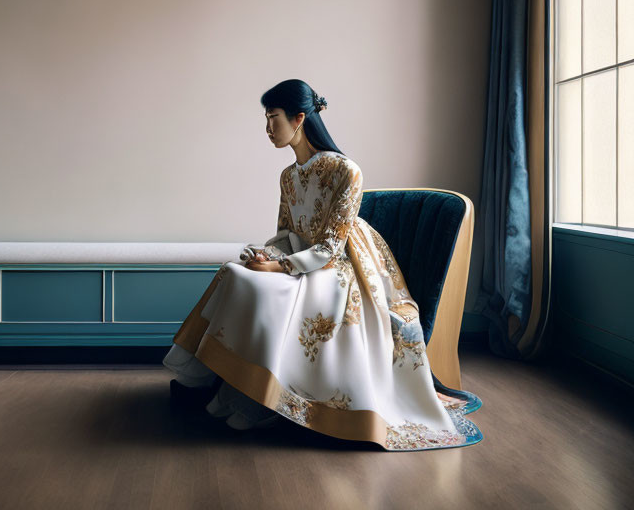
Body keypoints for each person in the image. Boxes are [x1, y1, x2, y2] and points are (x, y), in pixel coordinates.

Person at [162, 79, 483, 451]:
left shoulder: (346, 171)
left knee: (252, 282)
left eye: (273, 118)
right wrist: (268, 255)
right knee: (235, 271)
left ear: (299, 118)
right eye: (266, 119)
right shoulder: (288, 176)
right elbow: (284, 233)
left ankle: (257, 399)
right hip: (299, 260)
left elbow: (331, 246)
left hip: (341, 272)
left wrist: (280, 269)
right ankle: (211, 382)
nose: (268, 128)